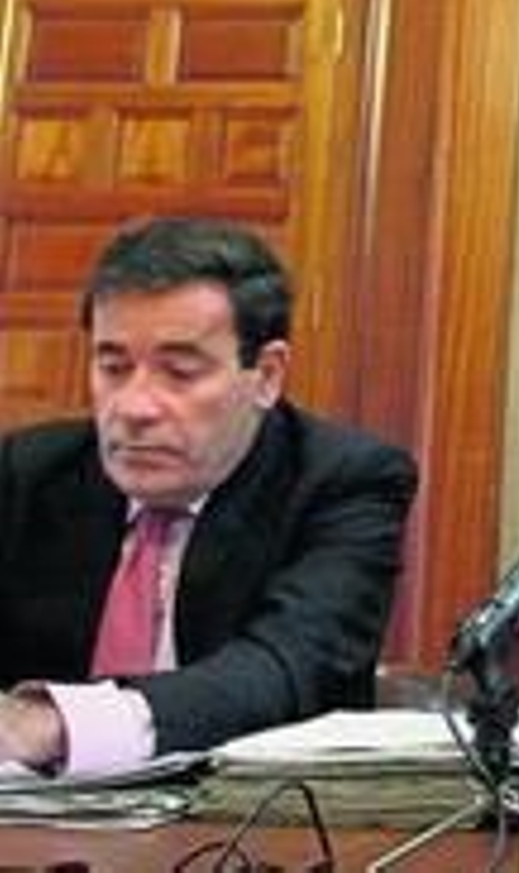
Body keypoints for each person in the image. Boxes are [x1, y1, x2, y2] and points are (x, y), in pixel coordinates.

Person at [0, 216, 418, 774]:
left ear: (266, 374)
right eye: (113, 367)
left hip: (252, 833)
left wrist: (56, 725)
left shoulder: (344, 482)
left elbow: (285, 669)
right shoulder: (27, 473)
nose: (134, 407)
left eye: (179, 372)